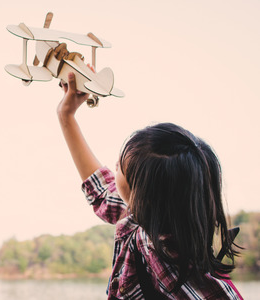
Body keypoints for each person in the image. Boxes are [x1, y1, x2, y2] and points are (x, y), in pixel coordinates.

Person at [57, 72, 242, 299]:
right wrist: (66, 115)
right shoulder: (151, 218)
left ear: (143, 197)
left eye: (120, 168)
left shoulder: (160, 250)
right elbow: (102, 191)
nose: (114, 165)